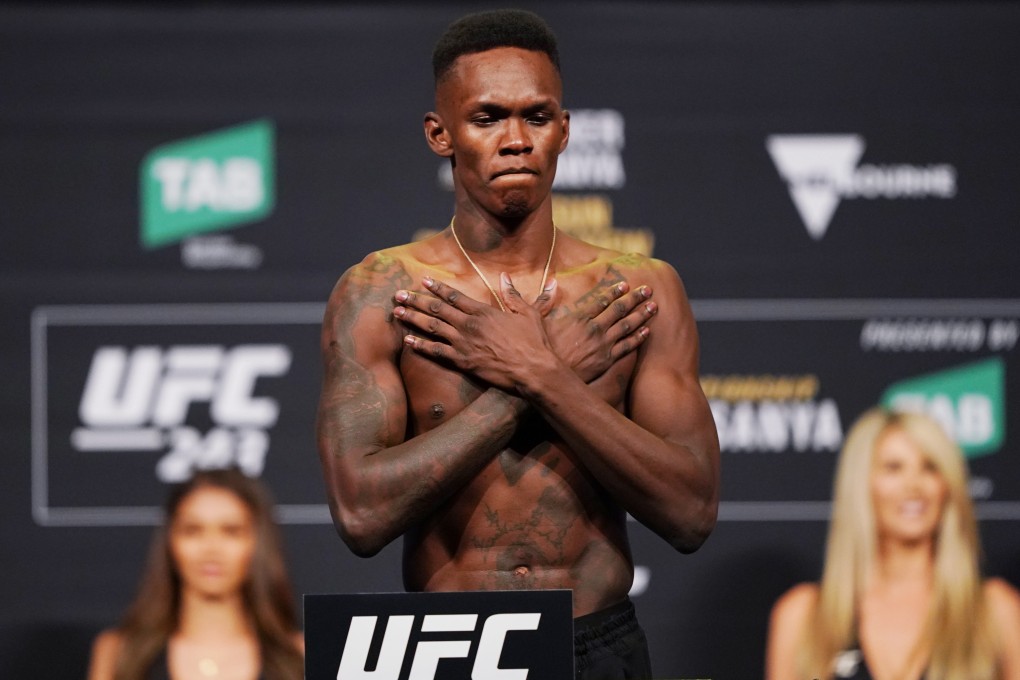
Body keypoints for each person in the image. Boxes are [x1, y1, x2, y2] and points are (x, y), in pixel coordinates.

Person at [315, 8, 720, 679]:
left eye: (536, 117)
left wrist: (546, 380)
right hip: (449, 645)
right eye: (487, 118)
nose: (515, 140)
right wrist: (531, 380)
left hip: (598, 644)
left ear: (563, 131)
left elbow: (692, 512)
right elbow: (360, 514)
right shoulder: (383, 292)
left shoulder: (637, 291)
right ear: (440, 134)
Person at [765, 407, 1020, 680]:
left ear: (948, 485)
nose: (914, 485)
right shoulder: (803, 617)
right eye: (893, 468)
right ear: (861, 484)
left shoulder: (995, 611)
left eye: (930, 467)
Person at [86, 467, 304, 680]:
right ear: (170, 542)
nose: (211, 548)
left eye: (231, 531)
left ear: (257, 543)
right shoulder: (119, 653)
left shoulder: (299, 655)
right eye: (192, 530)